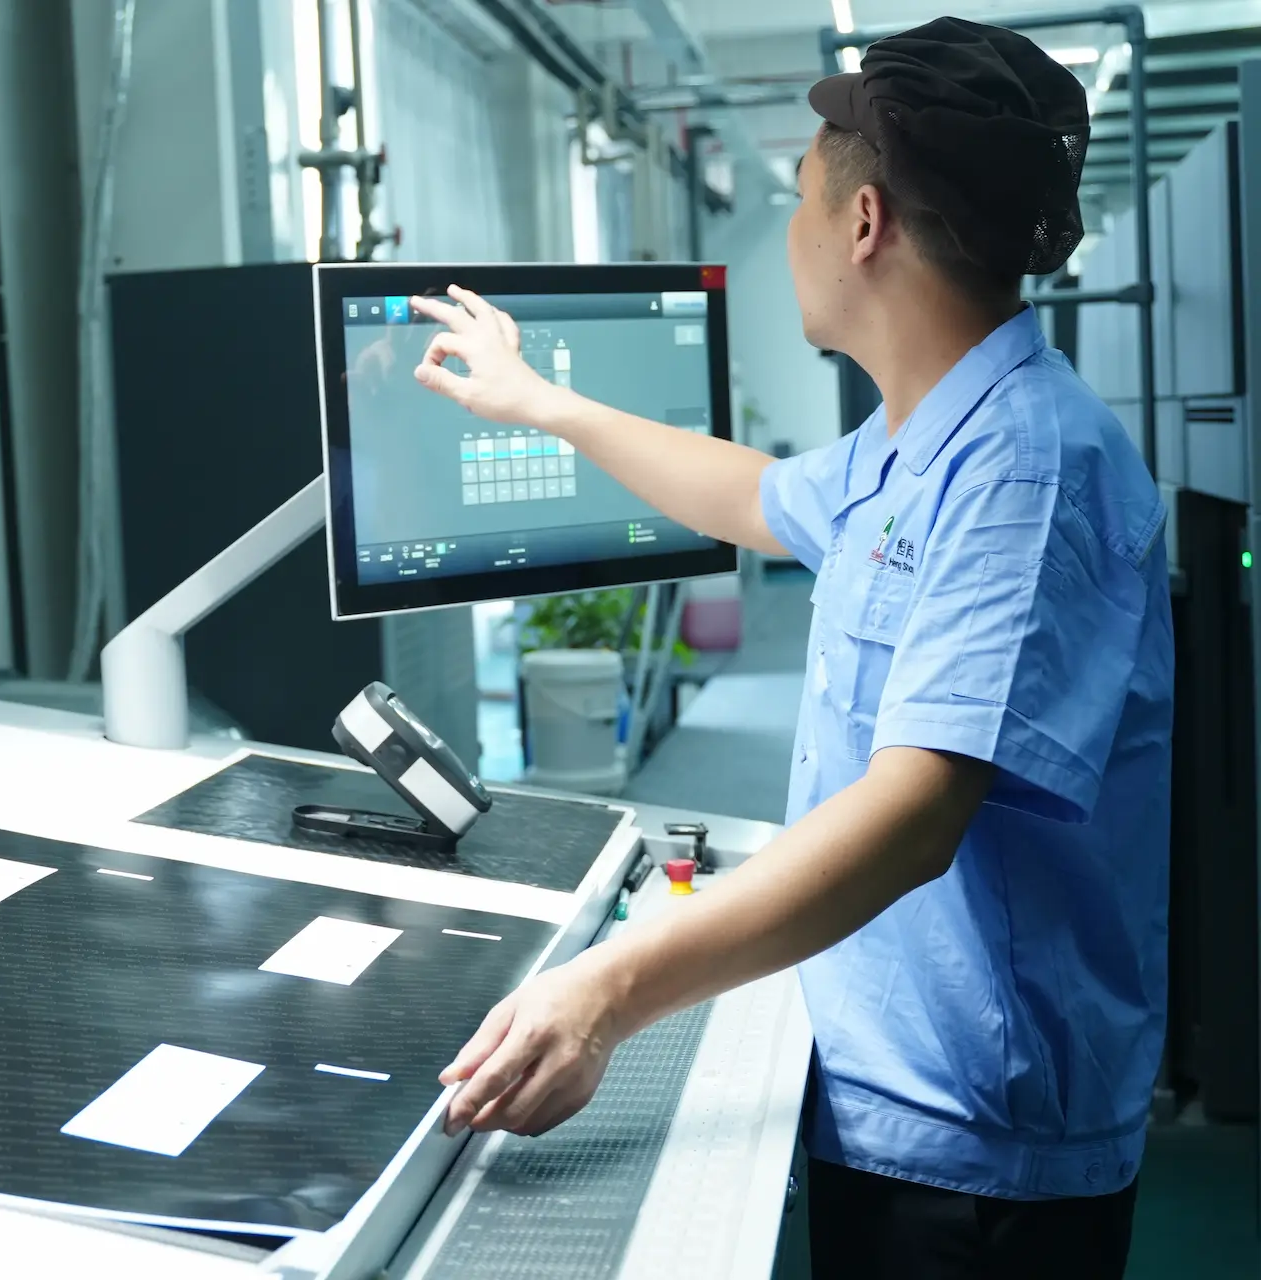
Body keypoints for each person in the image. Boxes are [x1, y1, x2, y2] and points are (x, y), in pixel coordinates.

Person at [408, 17, 1172, 1280]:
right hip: (894, 1077)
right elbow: (755, 494)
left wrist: (609, 989)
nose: (794, 230)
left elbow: (915, 814)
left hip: (974, 1146)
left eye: (803, 199)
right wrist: (538, 398)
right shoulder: (922, 434)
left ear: (863, 221)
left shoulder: (1025, 466)